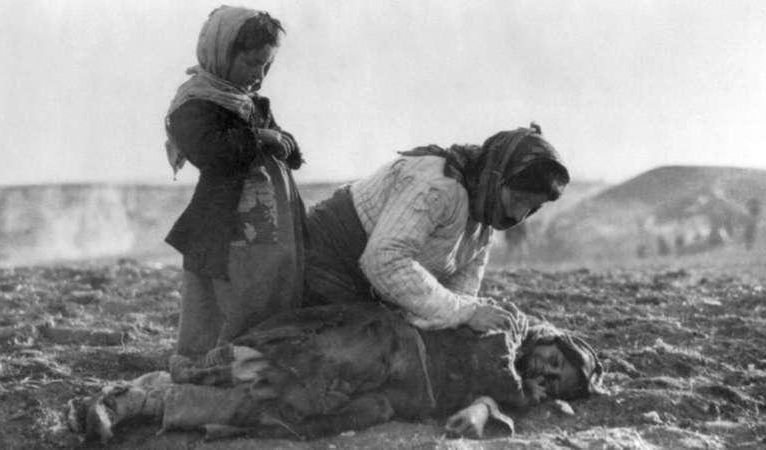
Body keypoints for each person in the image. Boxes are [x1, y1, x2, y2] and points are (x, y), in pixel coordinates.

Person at [66, 302, 603, 443]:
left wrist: (492, 407)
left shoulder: (514, 391)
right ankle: (134, 394)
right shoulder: (509, 326)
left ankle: (152, 404)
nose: (546, 373)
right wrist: (513, 393)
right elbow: (493, 361)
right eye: (554, 361)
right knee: (283, 370)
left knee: (289, 412)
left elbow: (491, 402)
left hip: (393, 394)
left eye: (557, 381)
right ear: (548, 339)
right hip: (383, 347)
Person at [305, 124, 570, 332]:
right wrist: (465, 314)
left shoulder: (483, 221)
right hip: (325, 260)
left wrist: (470, 316)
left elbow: (459, 294)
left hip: (372, 285)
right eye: (519, 199)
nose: (517, 214)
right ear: (498, 175)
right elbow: (384, 260)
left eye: (532, 208)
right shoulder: (438, 185)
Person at [164, 6, 306, 359]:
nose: (259, 75)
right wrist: (261, 137)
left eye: (266, 65)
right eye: (251, 63)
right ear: (221, 53)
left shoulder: (251, 103)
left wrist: (286, 145)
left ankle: (255, 359)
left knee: (268, 292)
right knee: (220, 304)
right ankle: (206, 370)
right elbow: (211, 152)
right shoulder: (194, 104)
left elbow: (282, 145)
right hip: (223, 225)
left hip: (268, 226)